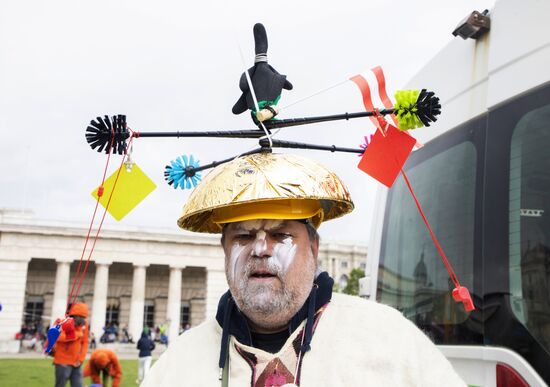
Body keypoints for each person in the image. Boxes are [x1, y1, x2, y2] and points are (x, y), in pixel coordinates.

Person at [142, 153, 466, 386]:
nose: (260, 249)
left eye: (281, 235)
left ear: (314, 247)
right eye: (243, 236)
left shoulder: (389, 339)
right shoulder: (177, 365)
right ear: (224, 250)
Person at [51, 302, 89, 387]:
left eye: (85, 317)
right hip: (62, 362)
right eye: (82, 317)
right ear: (75, 315)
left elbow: (85, 342)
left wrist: (81, 359)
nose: (84, 320)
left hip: (76, 362)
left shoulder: (84, 325)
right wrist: (77, 334)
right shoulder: (62, 322)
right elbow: (57, 337)